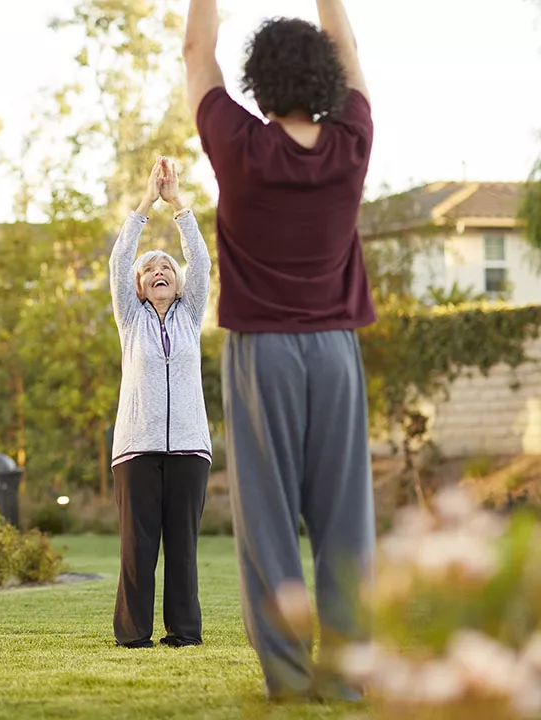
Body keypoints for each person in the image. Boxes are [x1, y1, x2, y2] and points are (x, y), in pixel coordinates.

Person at [184, 0, 377, 700]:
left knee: (267, 523)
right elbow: (348, 43)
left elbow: (194, 53)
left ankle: (291, 685)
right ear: (325, 79)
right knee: (347, 520)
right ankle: (350, 681)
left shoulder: (237, 144)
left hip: (262, 351)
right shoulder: (352, 141)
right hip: (334, 351)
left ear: (258, 83)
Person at [108, 157, 213, 649]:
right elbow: (118, 258)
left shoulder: (191, 316)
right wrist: (146, 202)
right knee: (138, 547)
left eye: (166, 266)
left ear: (179, 280)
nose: (157, 270)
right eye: (148, 268)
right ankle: (133, 635)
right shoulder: (131, 320)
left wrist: (178, 205)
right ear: (137, 285)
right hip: (137, 448)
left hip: (190, 446)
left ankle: (184, 633)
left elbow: (203, 261)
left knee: (183, 548)